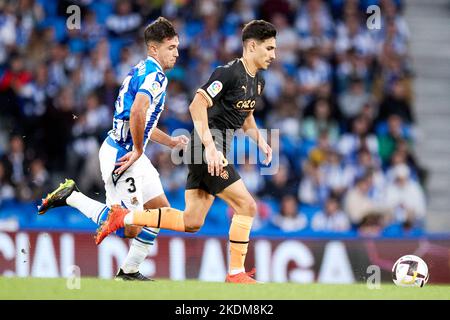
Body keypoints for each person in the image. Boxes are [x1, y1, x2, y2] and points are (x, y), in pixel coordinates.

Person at [96, 20, 277, 284]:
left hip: (210, 149)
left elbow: (246, 115)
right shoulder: (227, 73)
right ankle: (236, 273)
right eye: (269, 48)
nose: (273, 54)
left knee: (192, 222)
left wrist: (261, 141)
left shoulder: (257, 82)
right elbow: (196, 106)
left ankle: (125, 217)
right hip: (206, 148)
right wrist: (212, 149)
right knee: (247, 206)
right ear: (252, 46)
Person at [37, 17, 189, 280]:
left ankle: (129, 271)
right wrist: (140, 150)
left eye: (177, 47)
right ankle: (72, 197)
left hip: (130, 153)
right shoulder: (155, 76)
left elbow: (144, 121)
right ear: (154, 49)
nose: (177, 52)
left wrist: (171, 142)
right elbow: (138, 112)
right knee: (131, 227)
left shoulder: (142, 70)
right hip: (123, 155)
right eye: (171, 47)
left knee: (159, 212)